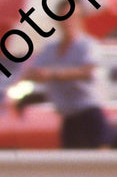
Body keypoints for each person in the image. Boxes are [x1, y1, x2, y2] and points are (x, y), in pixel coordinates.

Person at [24, 8, 107, 148]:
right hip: (68, 117)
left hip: (88, 114)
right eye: (64, 18)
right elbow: (31, 72)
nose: (68, 22)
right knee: (71, 164)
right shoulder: (51, 48)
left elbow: (87, 71)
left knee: (95, 163)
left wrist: (54, 74)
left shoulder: (87, 45)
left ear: (80, 19)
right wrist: (41, 75)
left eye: (72, 18)